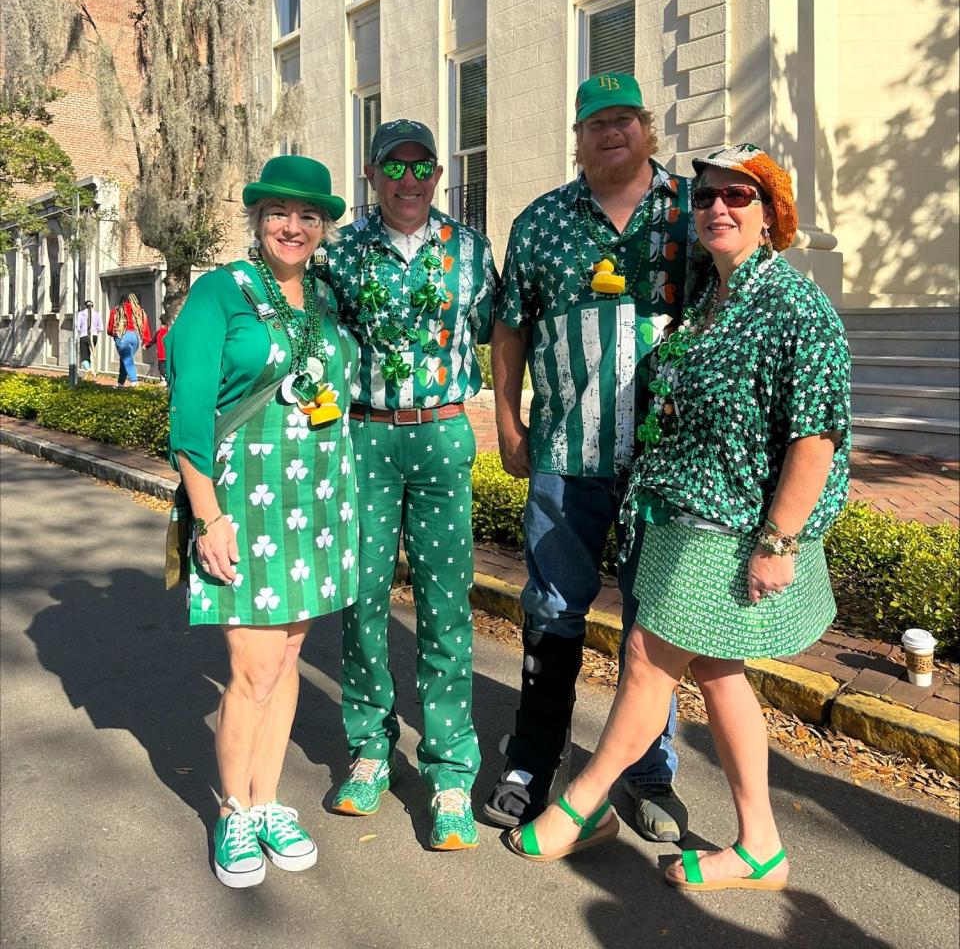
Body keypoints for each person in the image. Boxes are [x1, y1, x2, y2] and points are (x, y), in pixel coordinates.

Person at [506, 143, 850, 894]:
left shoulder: (793, 302)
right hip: (680, 517)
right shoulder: (712, 297)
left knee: (647, 661)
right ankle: (760, 843)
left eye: (737, 196)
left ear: (772, 215)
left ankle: (582, 804)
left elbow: (815, 434)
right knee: (720, 673)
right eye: (704, 198)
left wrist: (779, 539)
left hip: (726, 529)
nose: (717, 208)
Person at [484, 72, 694, 841]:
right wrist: (509, 422)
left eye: (624, 118)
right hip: (567, 452)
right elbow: (511, 327)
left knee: (656, 617)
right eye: (595, 122)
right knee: (550, 608)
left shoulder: (689, 212)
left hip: (668, 462)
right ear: (578, 137)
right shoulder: (541, 222)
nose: (611, 132)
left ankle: (646, 773)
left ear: (647, 127)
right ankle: (535, 756)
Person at [166, 156, 362, 889]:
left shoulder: (324, 301)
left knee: (284, 666)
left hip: (315, 507)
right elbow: (189, 411)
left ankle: (270, 797)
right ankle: (233, 811)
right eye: (280, 210)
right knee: (251, 668)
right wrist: (207, 515)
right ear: (258, 218)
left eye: (309, 215)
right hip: (241, 508)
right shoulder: (221, 293)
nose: (294, 225)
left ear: (323, 227)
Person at [321, 118, 498, 851]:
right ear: (372, 175)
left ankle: (450, 770)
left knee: (444, 603)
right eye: (393, 168)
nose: (408, 180)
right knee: (361, 594)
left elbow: (502, 330)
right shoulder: (340, 253)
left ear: (437, 175)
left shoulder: (471, 252)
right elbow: (315, 344)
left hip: (442, 432)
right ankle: (369, 746)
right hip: (364, 433)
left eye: (421, 166)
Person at [108, 291, 152, 386]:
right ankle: (120, 383)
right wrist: (146, 340)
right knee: (125, 358)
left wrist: (112, 333)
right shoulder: (140, 311)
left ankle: (134, 380)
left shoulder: (116, 310)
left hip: (122, 336)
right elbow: (145, 326)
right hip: (135, 337)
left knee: (127, 359)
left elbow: (111, 327)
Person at [76, 299, 103, 372]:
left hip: (84, 336)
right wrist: (95, 332)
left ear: (85, 306)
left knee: (84, 355)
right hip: (94, 336)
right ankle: (91, 369)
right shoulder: (97, 314)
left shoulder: (80, 314)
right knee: (91, 353)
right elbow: (101, 328)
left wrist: (82, 330)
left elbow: (77, 327)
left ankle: (88, 370)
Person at [146, 313, 170, 383]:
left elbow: (153, 341)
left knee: (161, 369)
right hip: (168, 355)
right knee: (166, 369)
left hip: (162, 355)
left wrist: (147, 346)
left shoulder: (160, 332)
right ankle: (165, 380)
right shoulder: (169, 331)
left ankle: (166, 380)